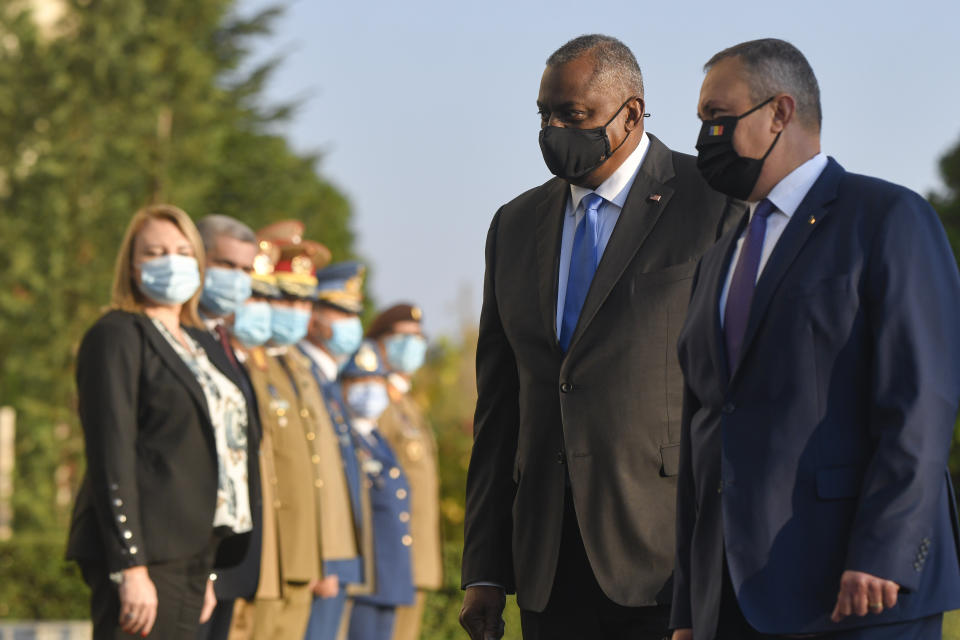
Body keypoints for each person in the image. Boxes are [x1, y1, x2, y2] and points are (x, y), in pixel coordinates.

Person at [671, 38, 960, 640]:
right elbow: (703, 428)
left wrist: (884, 551)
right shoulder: (718, 259)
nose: (705, 138)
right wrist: (688, 609)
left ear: (780, 112)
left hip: (857, 593)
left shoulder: (887, 219)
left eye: (717, 118)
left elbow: (921, 402)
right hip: (729, 602)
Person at [459, 34, 739, 640]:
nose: (553, 128)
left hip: (666, 559)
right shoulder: (514, 225)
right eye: (544, 114)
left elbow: (742, 390)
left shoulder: (716, 204)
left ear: (631, 112)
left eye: (574, 115)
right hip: (548, 565)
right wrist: (483, 567)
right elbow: (499, 406)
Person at [66, 204, 253, 639]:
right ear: (132, 265)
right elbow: (111, 452)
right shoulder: (118, 335)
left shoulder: (202, 344)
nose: (171, 261)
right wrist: (130, 565)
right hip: (149, 554)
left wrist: (208, 571)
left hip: (196, 551)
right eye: (155, 251)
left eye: (183, 251)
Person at [226, 222, 330, 639]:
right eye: (260, 295)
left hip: (294, 555)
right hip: (255, 557)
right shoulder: (243, 365)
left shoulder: (286, 368)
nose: (270, 308)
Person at [194, 214, 264, 640]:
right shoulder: (180, 338)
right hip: (193, 560)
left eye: (245, 270)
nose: (237, 280)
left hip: (229, 559)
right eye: (226, 266)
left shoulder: (226, 346)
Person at [298, 261, 370, 640]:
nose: (349, 322)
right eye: (340, 311)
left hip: (338, 557)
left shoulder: (327, 382)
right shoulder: (304, 375)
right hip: (319, 560)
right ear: (312, 313)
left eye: (354, 313)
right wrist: (321, 556)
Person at [367, 303, 443, 640]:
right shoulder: (375, 399)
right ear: (379, 342)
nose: (412, 345)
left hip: (416, 559)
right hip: (388, 558)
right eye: (402, 337)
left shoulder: (406, 404)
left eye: (418, 337)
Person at [341, 341, 416, 640]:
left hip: (388, 576)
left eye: (375, 381)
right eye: (360, 381)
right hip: (363, 577)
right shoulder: (345, 439)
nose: (370, 389)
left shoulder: (378, 439)